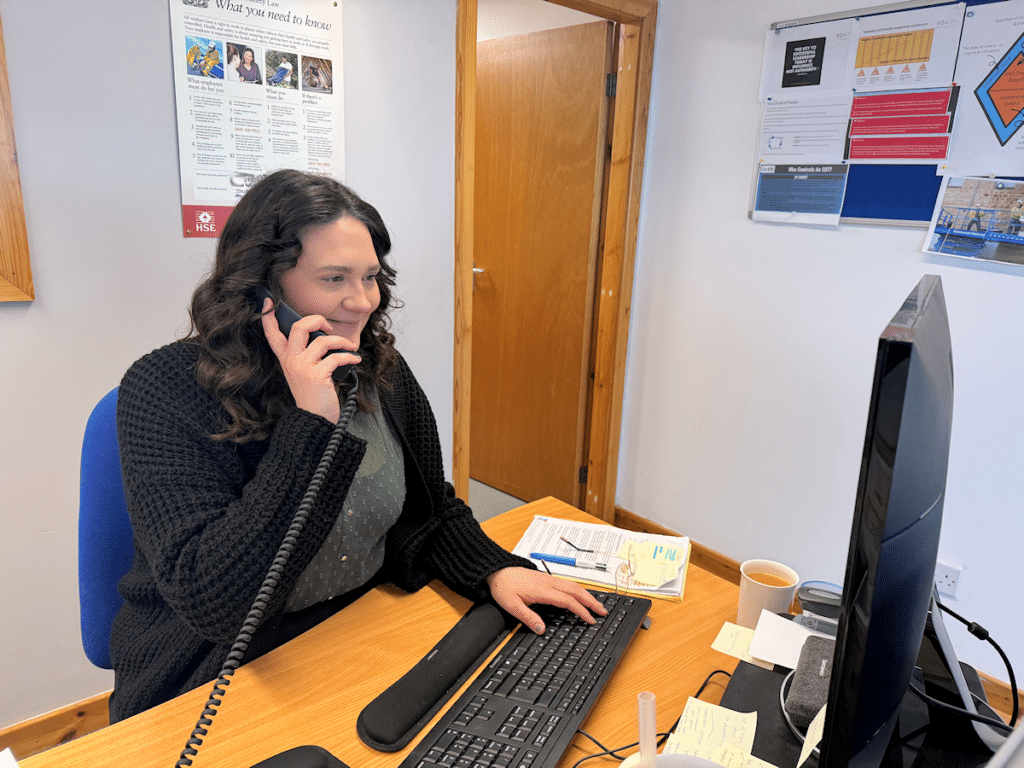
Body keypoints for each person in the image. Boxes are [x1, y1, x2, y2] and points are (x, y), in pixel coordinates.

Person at [108, 169, 605, 723]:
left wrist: (493, 569)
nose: (362, 302)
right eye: (334, 278)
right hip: (222, 670)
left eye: (370, 277)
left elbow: (428, 507)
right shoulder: (164, 389)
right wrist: (310, 424)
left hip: (358, 629)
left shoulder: (376, 368)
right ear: (262, 289)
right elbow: (218, 601)